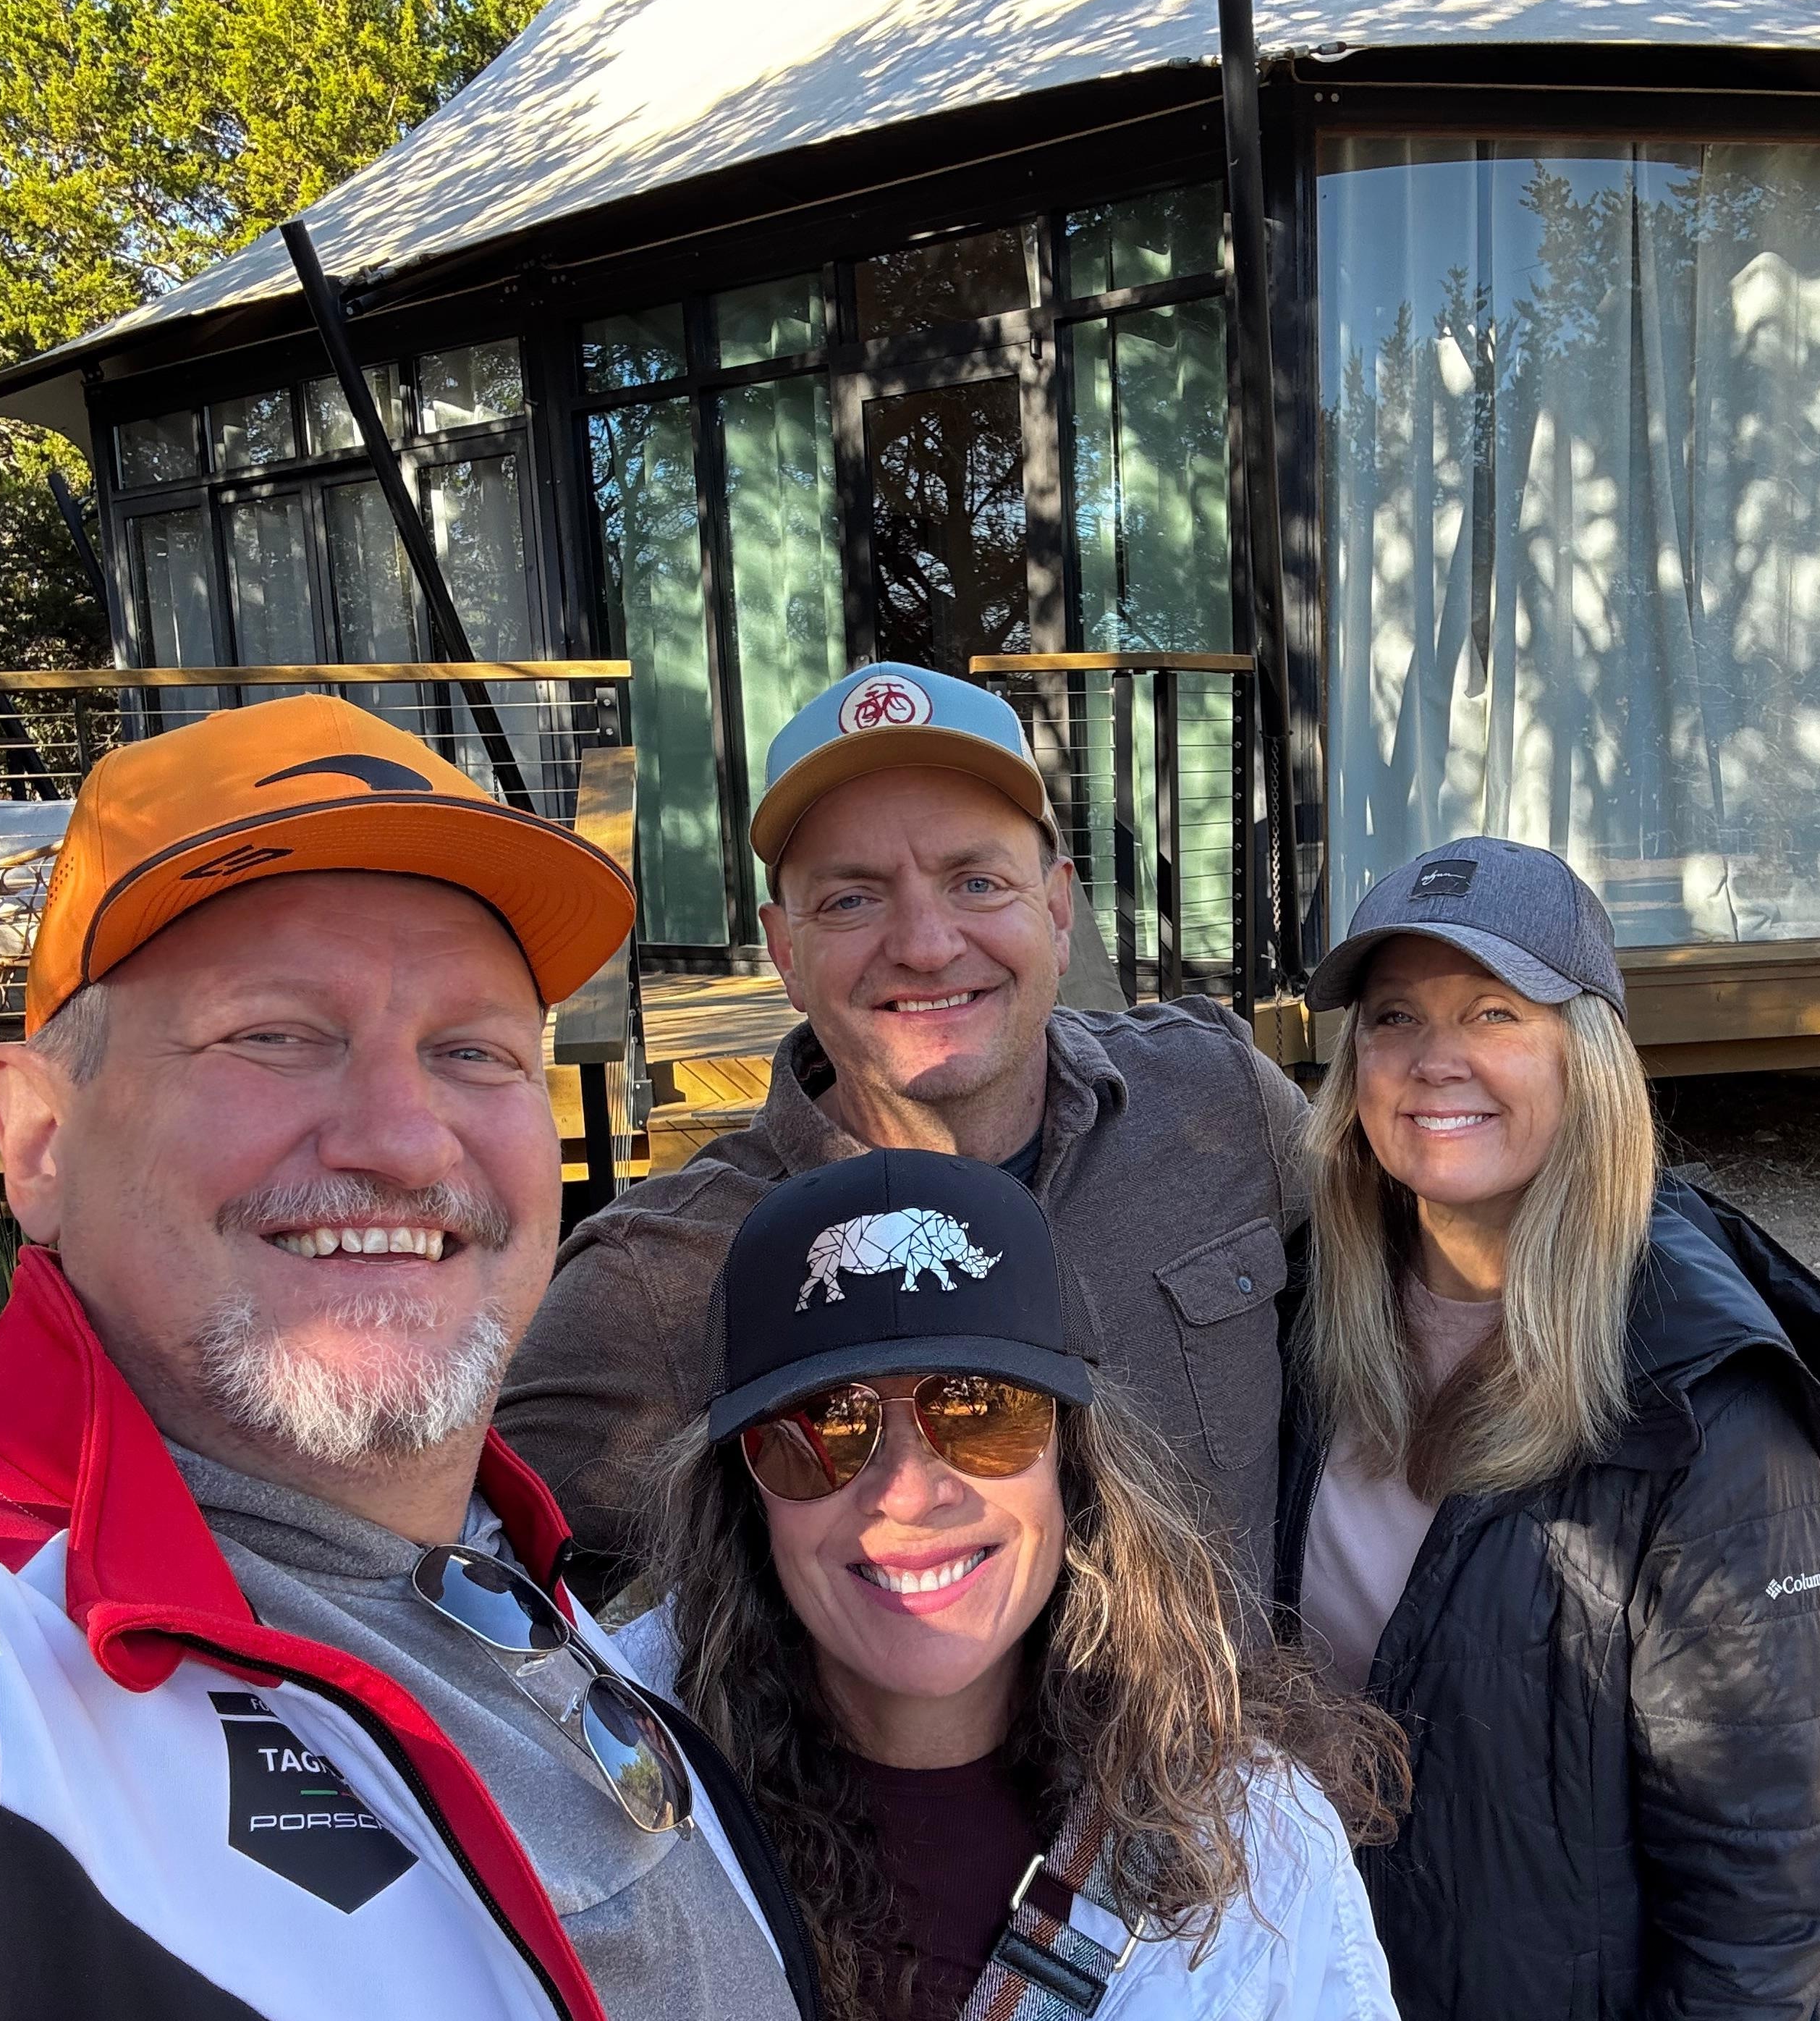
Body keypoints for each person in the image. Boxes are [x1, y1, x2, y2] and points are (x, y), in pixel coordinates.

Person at [0, 698, 823, 2021]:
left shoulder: (503, 1581)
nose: (402, 1138)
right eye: (276, 1035)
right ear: (39, 1138)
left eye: (475, 1051)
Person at [1270, 837, 1820, 2021]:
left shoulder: (1699, 1400)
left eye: (1495, 1013)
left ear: (1586, 1055)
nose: (1435, 1058)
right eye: (1395, 1018)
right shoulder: (1301, 1312)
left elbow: (1763, 1895)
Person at [654, 1145, 1421, 2021]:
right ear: (743, 1492)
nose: (907, 1492)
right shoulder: (621, 1823)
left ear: (1073, 1454)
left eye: (981, 1410)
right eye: (824, 1427)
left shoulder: (1259, 1855)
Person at [501, 662, 1306, 1601]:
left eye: (977, 881)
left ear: (1056, 911)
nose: (926, 945)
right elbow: (465, 1580)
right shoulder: (656, 1277)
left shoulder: (1221, 1097)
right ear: (785, 951)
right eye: (852, 898)